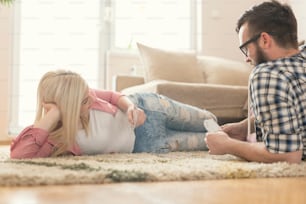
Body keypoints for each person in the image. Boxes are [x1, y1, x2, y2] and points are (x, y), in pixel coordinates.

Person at [10, 70, 216, 159]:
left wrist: (130, 108)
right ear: (67, 109)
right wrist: (52, 115)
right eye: (83, 101)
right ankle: (237, 137)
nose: (91, 99)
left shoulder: (87, 95)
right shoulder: (60, 140)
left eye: (88, 92)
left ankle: (242, 130)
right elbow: (19, 155)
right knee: (211, 140)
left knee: (209, 120)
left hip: (150, 107)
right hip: (148, 144)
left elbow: (112, 95)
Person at [205, 0, 305, 163]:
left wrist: (228, 145)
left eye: (246, 48)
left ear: (265, 40)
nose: (246, 58)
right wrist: (247, 125)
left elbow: (287, 155)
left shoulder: (268, 74)